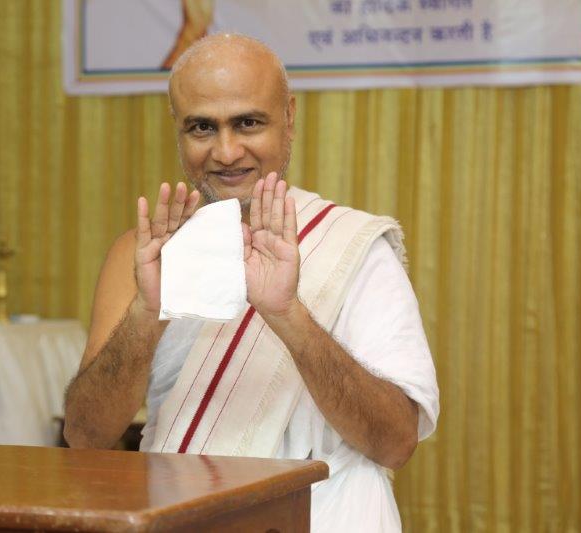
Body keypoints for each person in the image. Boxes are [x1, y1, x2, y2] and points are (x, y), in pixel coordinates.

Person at [64, 33, 439, 532]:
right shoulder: (143, 254)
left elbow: (395, 444)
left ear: (289, 117)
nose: (226, 151)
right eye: (202, 127)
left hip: (323, 516)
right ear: (178, 129)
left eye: (248, 123)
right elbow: (85, 436)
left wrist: (288, 316)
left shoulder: (354, 247)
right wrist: (147, 314)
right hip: (181, 517)